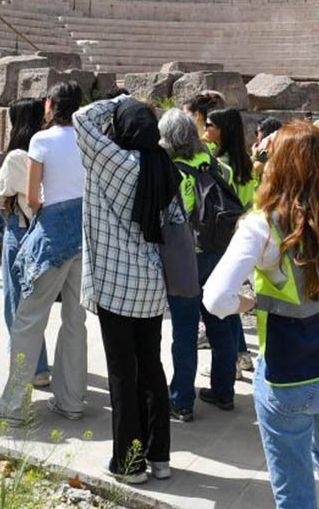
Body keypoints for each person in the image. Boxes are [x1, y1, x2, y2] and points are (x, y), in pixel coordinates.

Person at [204, 121, 319, 509]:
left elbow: (214, 299)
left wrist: (248, 304)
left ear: (276, 165)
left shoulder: (261, 226)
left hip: (290, 376)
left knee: (293, 488)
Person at [74, 95, 175, 484]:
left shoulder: (115, 162)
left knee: (122, 373)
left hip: (116, 286)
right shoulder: (162, 165)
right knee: (151, 368)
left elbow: (82, 118)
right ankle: (159, 456)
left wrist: (121, 99)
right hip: (151, 285)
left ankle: (129, 463)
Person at [0, 81, 88, 427]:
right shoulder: (89, 138)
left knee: (27, 318)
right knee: (75, 321)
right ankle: (71, 400)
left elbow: (34, 197)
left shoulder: (41, 140)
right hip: (85, 235)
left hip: (53, 236)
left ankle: (13, 406)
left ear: (50, 104)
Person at [161, 109, 238, 422]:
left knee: (184, 331)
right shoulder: (218, 167)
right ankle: (223, 391)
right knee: (220, 325)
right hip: (218, 255)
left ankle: (182, 399)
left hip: (185, 260)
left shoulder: (171, 173)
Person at [0, 98, 51, 386]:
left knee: (16, 304)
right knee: (35, 302)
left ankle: (32, 367)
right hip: (43, 230)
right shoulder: (49, 151)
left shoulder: (16, 157)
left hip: (20, 230)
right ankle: (37, 362)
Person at [206, 108, 256, 375]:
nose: (206, 128)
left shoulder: (220, 165)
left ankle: (233, 361)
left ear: (222, 130)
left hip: (220, 236)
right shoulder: (244, 161)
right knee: (231, 297)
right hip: (239, 233)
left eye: (211, 124)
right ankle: (242, 354)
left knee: (222, 304)